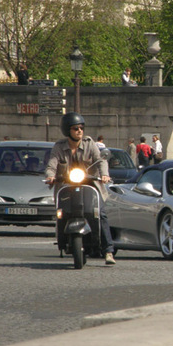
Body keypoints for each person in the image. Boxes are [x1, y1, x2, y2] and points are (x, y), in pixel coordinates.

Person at [44, 112, 116, 265]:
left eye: (81, 128)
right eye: (75, 128)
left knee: (100, 214)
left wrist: (104, 175)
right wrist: (50, 176)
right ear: (67, 130)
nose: (79, 131)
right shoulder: (59, 147)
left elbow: (100, 160)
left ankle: (108, 251)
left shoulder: (90, 144)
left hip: (91, 185)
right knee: (61, 213)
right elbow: (52, 164)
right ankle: (62, 239)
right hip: (67, 185)